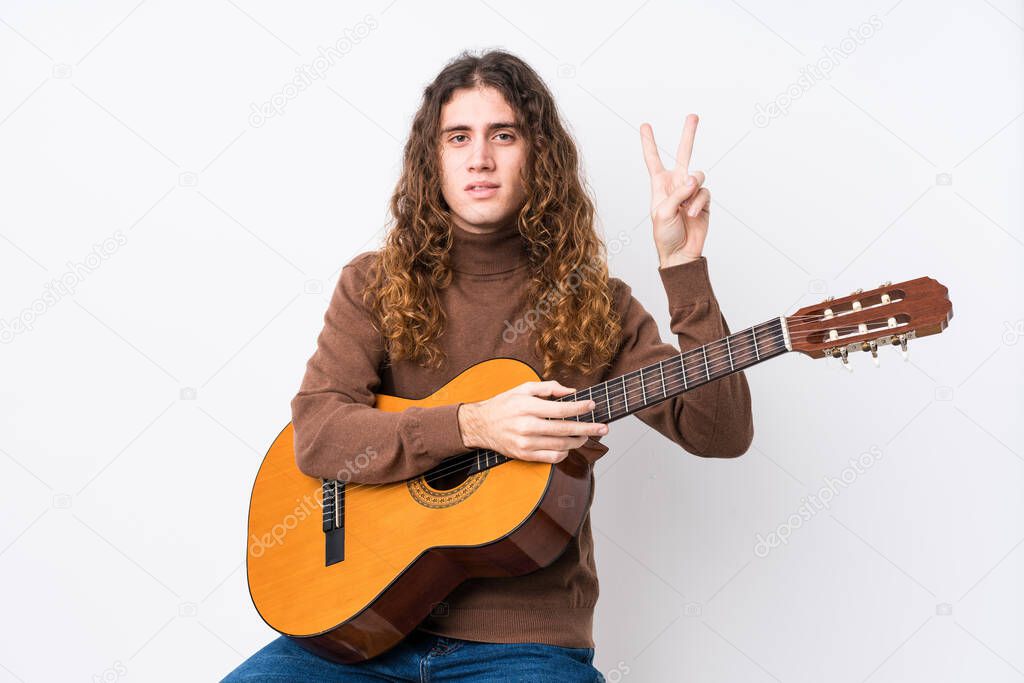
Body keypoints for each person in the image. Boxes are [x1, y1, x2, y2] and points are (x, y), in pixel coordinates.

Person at [223, 48, 753, 682]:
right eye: (458, 138)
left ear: (539, 155)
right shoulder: (374, 284)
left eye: (503, 135)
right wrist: (473, 425)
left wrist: (682, 269)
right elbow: (317, 434)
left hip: (525, 648)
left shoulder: (595, 303)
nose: (480, 158)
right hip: (358, 630)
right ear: (433, 159)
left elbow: (719, 432)